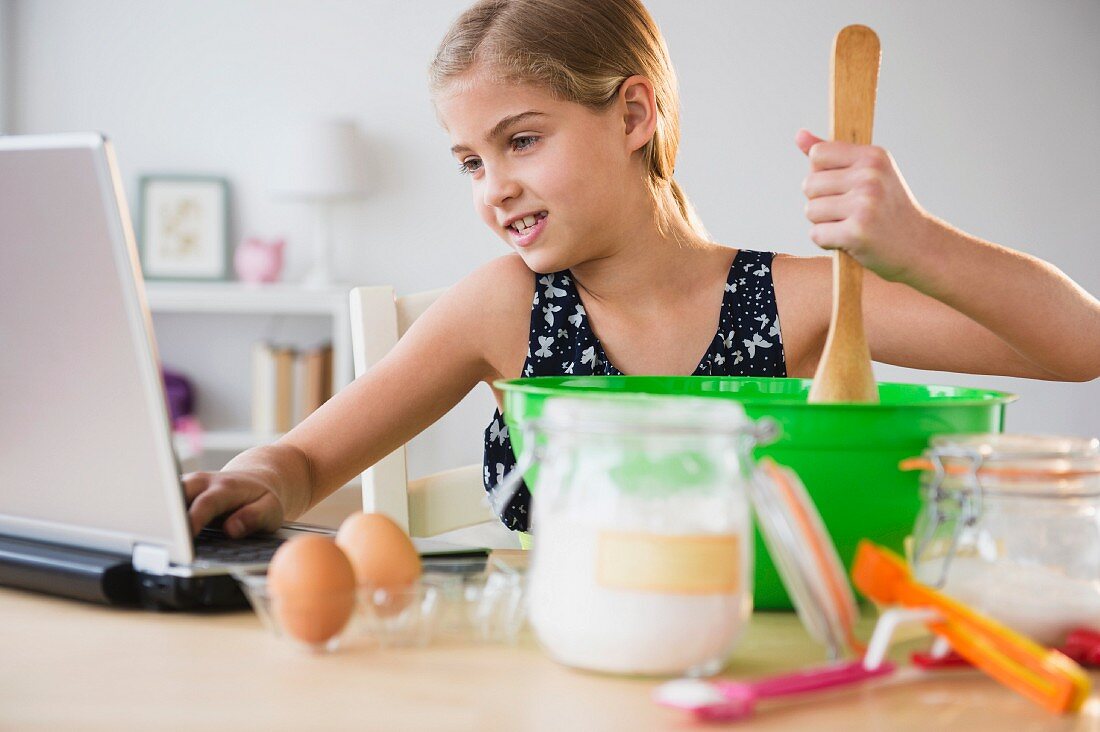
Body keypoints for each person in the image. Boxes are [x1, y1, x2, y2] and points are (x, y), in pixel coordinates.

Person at [184, 0, 1100, 539]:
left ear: (632, 116)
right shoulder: (505, 310)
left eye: (523, 141)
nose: (494, 189)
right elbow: (304, 459)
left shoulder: (796, 302)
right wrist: (260, 478)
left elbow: (1078, 346)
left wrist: (918, 243)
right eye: (470, 161)